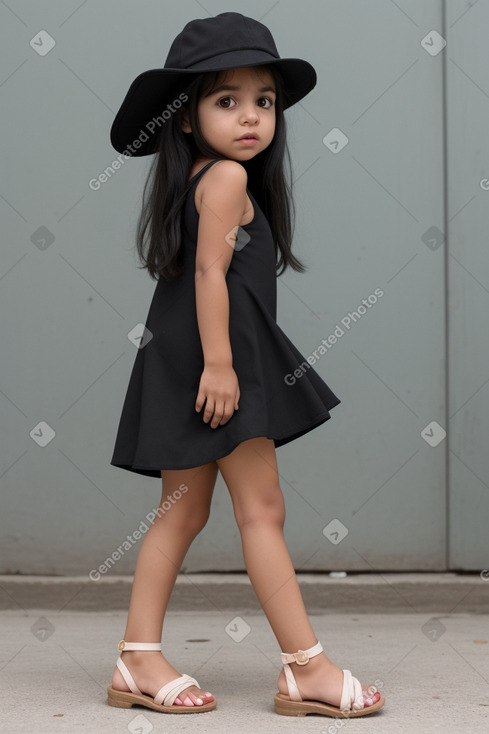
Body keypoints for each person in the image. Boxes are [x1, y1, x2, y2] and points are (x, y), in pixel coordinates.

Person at [106, 11, 385, 719]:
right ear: (187, 118)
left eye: (263, 100)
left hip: (184, 360)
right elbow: (207, 275)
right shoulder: (226, 176)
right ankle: (307, 670)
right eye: (225, 100)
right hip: (214, 364)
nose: (251, 116)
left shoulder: (205, 176)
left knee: (182, 510)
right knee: (260, 510)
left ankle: (138, 657)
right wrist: (222, 366)